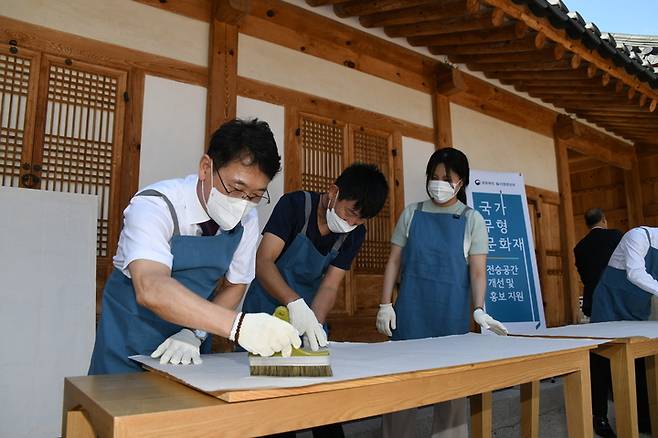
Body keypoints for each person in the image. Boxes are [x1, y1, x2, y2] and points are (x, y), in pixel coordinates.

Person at [88, 119, 300, 375]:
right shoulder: (156, 205)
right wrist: (238, 326)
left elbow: (236, 285)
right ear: (205, 168)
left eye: (255, 195)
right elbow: (151, 287)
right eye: (236, 187)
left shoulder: (247, 218)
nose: (243, 202)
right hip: (130, 338)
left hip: (192, 340)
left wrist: (194, 333)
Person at [242, 163, 388, 438]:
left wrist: (314, 325)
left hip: (306, 314)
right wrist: (293, 303)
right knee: (273, 407)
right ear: (334, 192)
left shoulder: (354, 233)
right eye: (350, 213)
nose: (351, 223)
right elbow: (263, 262)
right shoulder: (295, 205)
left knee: (322, 404)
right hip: (265, 310)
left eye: (359, 220)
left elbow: (330, 286)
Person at [376, 147, 507, 438]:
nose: (439, 183)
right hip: (410, 314)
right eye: (433, 176)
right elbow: (394, 261)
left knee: (451, 394)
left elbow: (477, 271)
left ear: (462, 182)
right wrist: (385, 304)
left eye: (446, 177)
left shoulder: (472, 219)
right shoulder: (412, 213)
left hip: (451, 315)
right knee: (401, 389)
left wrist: (479, 308)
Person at [591, 226, 658, 433]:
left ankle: (644, 417)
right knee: (601, 357)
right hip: (610, 301)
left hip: (637, 305)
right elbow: (635, 273)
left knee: (638, 360)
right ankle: (599, 417)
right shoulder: (638, 236)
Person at [573, 208, 622, 437]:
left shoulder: (580, 247)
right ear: (604, 219)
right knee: (627, 352)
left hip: (595, 303)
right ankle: (638, 413)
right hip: (619, 302)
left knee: (599, 357)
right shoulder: (616, 236)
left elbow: (585, 277)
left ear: (587, 224)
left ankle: (599, 417)